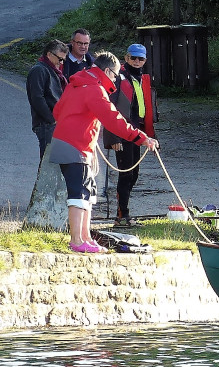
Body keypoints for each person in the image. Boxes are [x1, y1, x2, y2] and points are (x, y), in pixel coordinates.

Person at [47, 52, 158, 254]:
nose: (116, 79)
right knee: (79, 193)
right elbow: (113, 119)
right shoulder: (94, 89)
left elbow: (57, 111)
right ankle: (77, 240)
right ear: (107, 71)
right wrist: (142, 138)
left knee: (87, 192)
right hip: (76, 145)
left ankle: (86, 237)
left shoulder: (76, 84)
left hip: (77, 144)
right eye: (115, 75)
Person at [102, 44, 157, 224]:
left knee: (134, 175)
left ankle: (123, 212)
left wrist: (149, 136)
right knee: (125, 174)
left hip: (138, 133)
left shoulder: (143, 79)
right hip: (122, 133)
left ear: (145, 61)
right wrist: (113, 138)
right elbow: (109, 108)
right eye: (133, 58)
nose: (136, 62)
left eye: (140, 59)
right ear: (126, 58)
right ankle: (122, 215)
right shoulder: (119, 78)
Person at [26, 40, 69, 157]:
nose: (61, 63)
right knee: (48, 162)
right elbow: (37, 98)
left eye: (63, 60)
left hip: (55, 123)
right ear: (49, 54)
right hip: (46, 124)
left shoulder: (53, 71)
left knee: (56, 160)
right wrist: (51, 119)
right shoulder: (39, 70)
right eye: (59, 59)